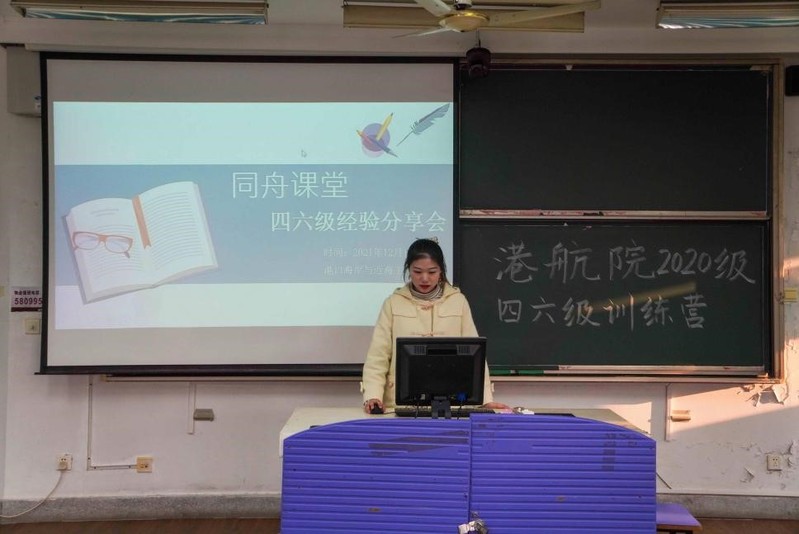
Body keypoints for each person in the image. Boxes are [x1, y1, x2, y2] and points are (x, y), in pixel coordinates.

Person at [362, 238, 509, 414]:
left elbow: (476, 355)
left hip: (451, 402)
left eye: (432, 272)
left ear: (441, 270)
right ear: (409, 269)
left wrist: (485, 401)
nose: (424, 278)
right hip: (400, 403)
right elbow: (377, 357)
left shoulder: (458, 301)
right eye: (417, 271)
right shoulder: (393, 303)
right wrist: (373, 396)